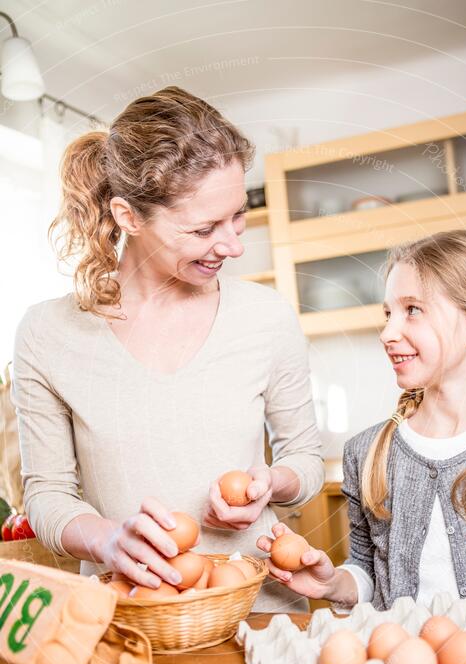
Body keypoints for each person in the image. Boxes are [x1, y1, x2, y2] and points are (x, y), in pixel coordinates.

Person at [11, 86, 323, 612]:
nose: (233, 245)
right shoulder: (47, 334)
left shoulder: (266, 316)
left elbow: (304, 459)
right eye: (203, 228)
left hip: (261, 615)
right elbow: (46, 495)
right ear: (128, 216)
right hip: (129, 614)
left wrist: (274, 482)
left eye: (237, 216)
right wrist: (107, 540)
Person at [258, 230, 466, 616]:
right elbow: (368, 569)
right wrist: (335, 583)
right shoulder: (368, 453)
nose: (388, 333)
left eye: (413, 310)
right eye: (388, 313)